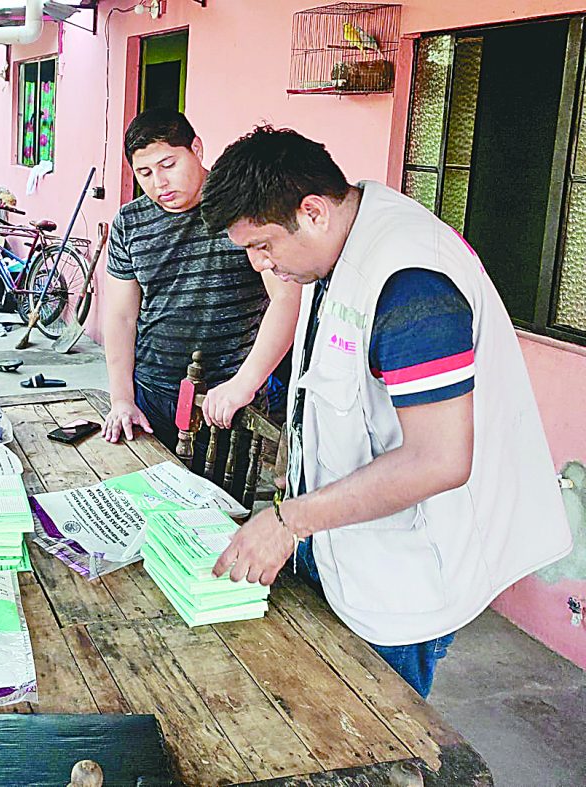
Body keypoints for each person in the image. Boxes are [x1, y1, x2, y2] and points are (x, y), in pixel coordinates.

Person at [201, 125, 573, 697]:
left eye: (263, 245)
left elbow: (438, 460)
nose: (260, 264)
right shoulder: (341, 245)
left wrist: (287, 521)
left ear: (313, 211)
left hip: (406, 576)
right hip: (342, 545)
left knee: (373, 737)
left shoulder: (412, 285)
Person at [102, 109, 301, 451]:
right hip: (150, 394)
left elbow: (286, 300)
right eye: (145, 173)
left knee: (224, 502)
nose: (159, 183)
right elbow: (121, 316)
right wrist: (122, 398)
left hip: (229, 401)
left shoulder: (242, 209)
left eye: (169, 165)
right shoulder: (130, 221)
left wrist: (245, 384)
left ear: (197, 148)